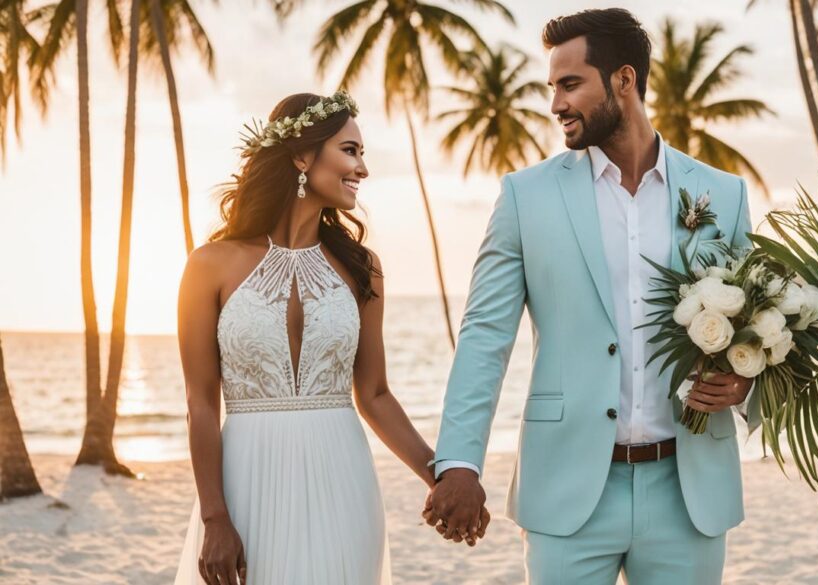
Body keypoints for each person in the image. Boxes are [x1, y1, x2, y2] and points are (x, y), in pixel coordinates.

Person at [425, 9, 760, 584]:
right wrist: (458, 461)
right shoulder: (525, 198)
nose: (556, 104)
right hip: (568, 491)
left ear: (624, 81)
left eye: (570, 84)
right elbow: (485, 334)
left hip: (689, 491)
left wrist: (745, 384)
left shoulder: (721, 195)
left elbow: (756, 324)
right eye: (552, 87)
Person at [173, 91, 470, 585]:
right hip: (248, 481)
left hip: (342, 481)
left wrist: (440, 477)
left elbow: (374, 394)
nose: (363, 169)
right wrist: (214, 517)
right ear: (300, 156)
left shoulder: (362, 270)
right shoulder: (209, 266)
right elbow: (200, 403)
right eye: (350, 151)